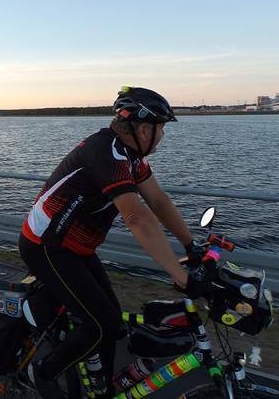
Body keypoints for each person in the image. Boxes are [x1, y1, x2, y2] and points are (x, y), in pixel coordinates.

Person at [19, 87, 208, 398]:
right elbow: (137, 218)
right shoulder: (106, 153)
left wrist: (191, 246)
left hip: (76, 248)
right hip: (46, 245)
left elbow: (158, 201)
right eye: (161, 128)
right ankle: (42, 372)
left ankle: (102, 388)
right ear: (143, 129)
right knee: (101, 324)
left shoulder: (131, 157)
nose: (162, 135)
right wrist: (181, 276)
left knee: (113, 323)